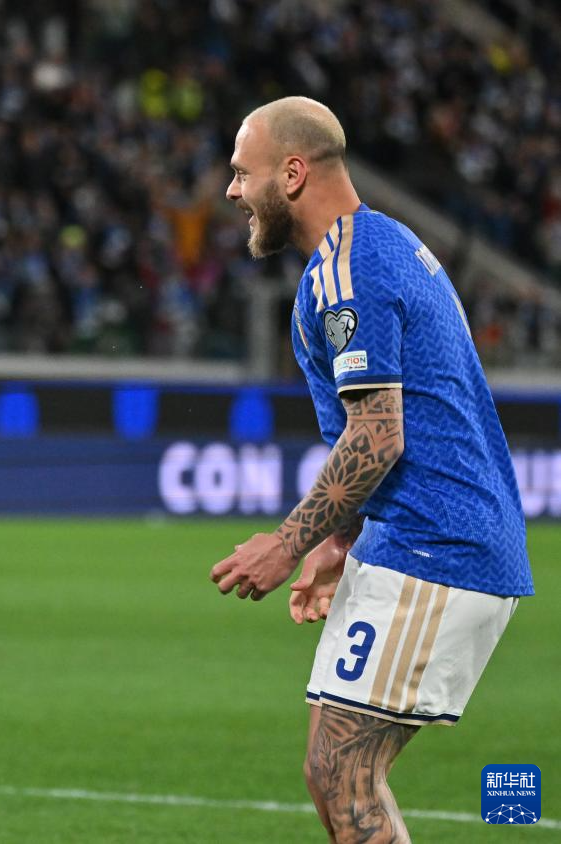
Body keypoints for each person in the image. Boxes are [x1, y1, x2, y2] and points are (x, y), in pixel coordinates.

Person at [210, 96, 533, 843]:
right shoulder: (373, 249)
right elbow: (384, 425)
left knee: (343, 772)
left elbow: (379, 436)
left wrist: (287, 543)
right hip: (410, 539)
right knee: (332, 771)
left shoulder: (351, 268)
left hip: (439, 546)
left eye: (242, 172)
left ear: (293, 173)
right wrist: (338, 539)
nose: (231, 190)